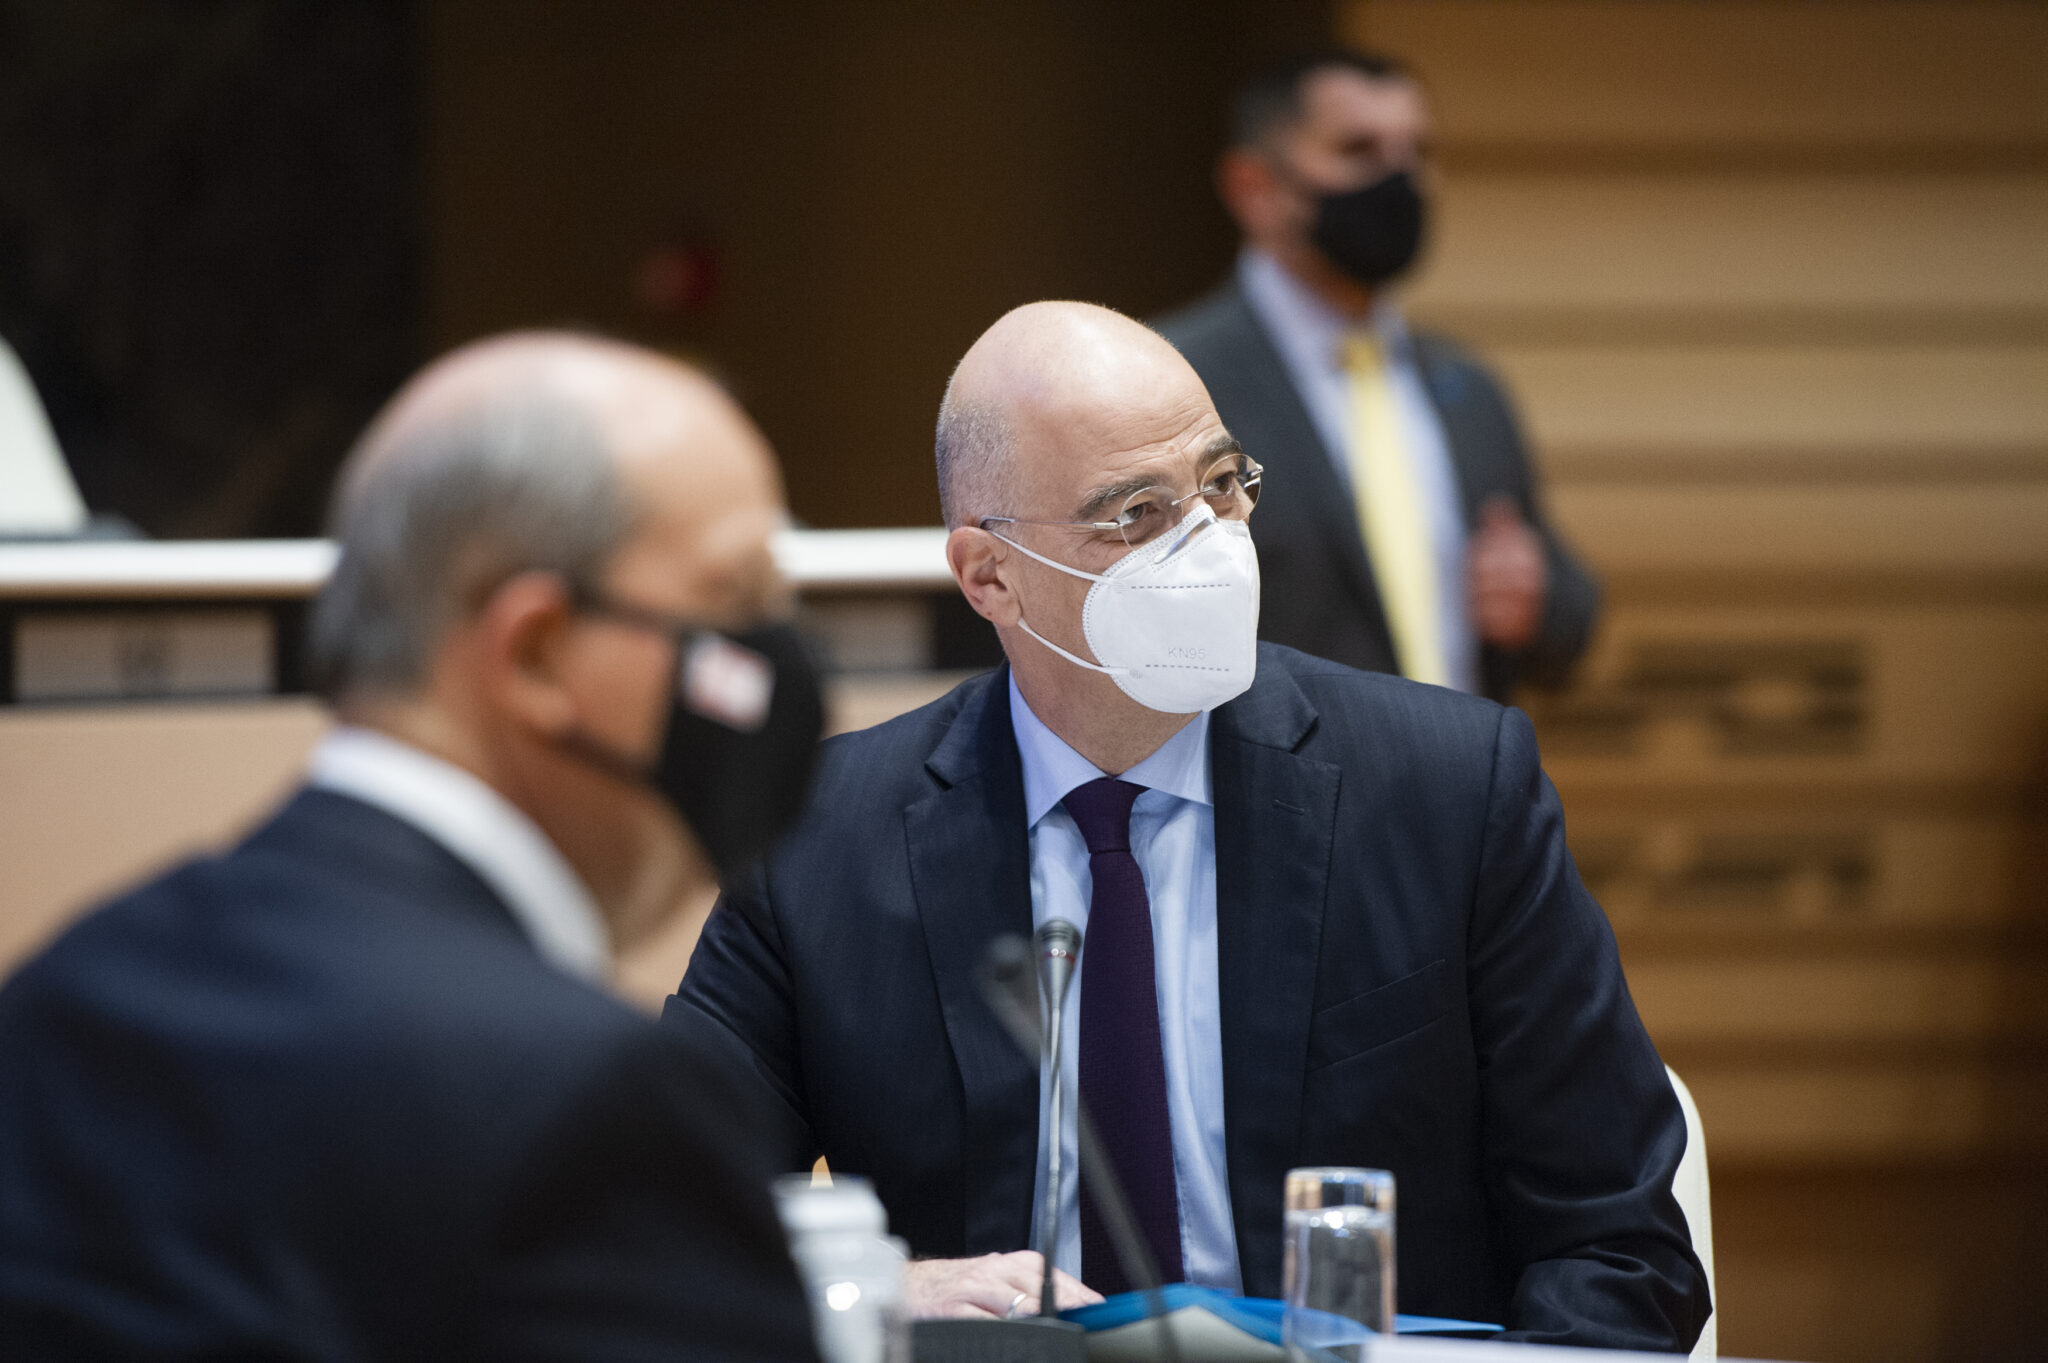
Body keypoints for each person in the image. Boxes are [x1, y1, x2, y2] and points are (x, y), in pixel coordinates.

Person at [669, 301, 1709, 1348]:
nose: (1207, 541)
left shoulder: (1448, 790)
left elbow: (1618, 1246)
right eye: (1136, 512)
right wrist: (875, 1291)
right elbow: (651, 1214)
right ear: (991, 577)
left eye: (1220, 484)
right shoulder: (817, 842)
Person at [0, 333, 825, 1360]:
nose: (779, 659)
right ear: (535, 652)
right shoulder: (609, 1108)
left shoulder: (68, 995)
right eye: (735, 600)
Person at [1153, 49, 1599, 702]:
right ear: (1256, 187)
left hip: (1463, 763)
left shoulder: (1465, 386)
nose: (1401, 177)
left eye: (1417, 151)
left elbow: (1570, 619)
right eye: (1358, 150)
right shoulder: (1169, 384)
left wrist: (1535, 600)